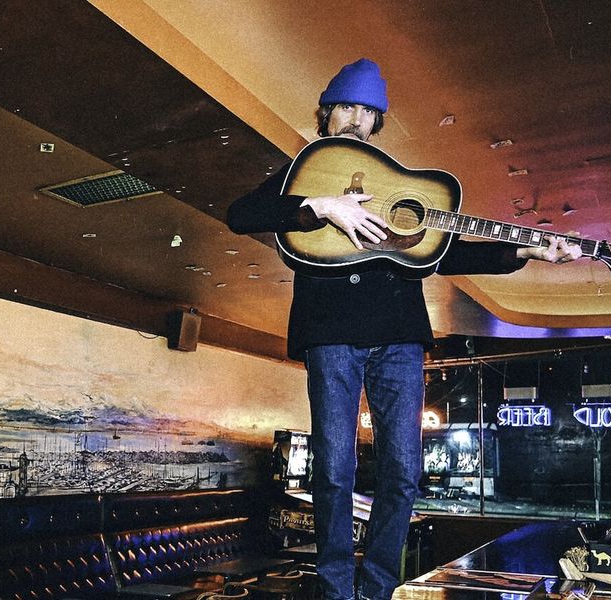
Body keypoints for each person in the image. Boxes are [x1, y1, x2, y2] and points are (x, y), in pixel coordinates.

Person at [226, 58, 581, 600]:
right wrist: (320, 206)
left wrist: (524, 251)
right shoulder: (306, 170)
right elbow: (241, 213)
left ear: (378, 122)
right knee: (334, 470)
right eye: (347, 107)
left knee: (403, 472)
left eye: (368, 112)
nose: (356, 119)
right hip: (331, 334)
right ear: (326, 114)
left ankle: (378, 590)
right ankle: (336, 591)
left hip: (399, 336)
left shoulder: (403, 187)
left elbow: (446, 252)